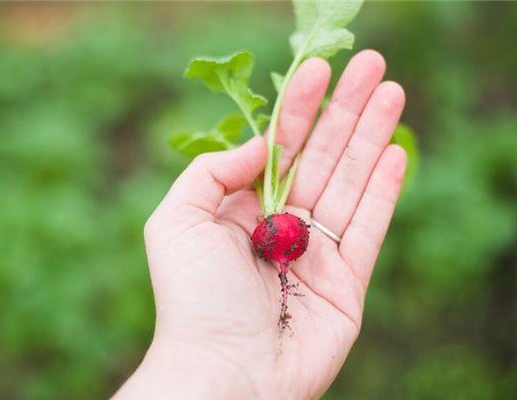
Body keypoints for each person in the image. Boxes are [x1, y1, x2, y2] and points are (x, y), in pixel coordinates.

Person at [115, 50, 406, 400]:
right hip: (276, 229)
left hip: (278, 229)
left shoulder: (282, 233)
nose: (282, 271)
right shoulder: (280, 232)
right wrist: (218, 356)